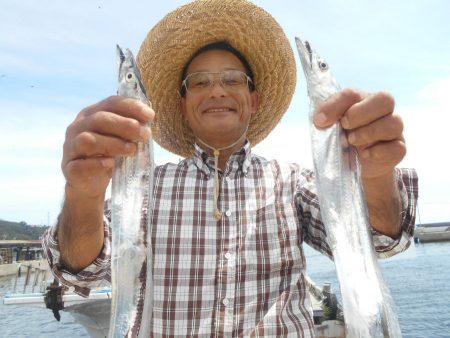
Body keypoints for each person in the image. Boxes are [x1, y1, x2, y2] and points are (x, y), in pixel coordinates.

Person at [42, 0, 418, 336]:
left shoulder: (292, 182)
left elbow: (381, 240)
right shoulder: (147, 189)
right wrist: (83, 194)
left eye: (232, 80)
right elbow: (81, 268)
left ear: (253, 100)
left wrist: (374, 174)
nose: (217, 90)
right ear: (183, 105)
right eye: (200, 83)